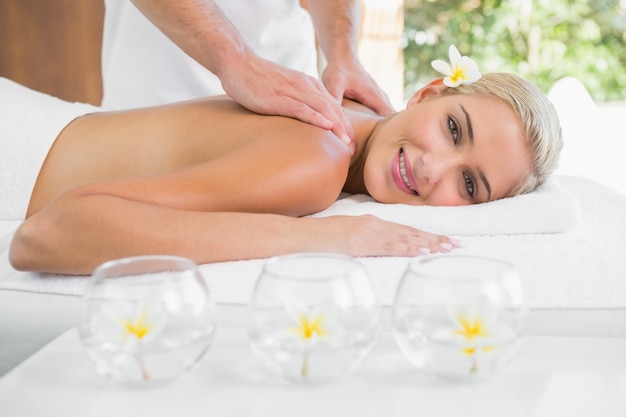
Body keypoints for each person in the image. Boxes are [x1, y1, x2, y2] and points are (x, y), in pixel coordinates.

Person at [8, 72, 562, 275]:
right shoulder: (318, 156)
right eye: (453, 128)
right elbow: (46, 236)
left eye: (469, 185)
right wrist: (313, 237)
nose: (431, 166)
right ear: (427, 93)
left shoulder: (353, 123)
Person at [102, 0, 395, 151]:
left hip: (293, 89)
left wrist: (343, 53)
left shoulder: (319, 153)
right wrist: (235, 60)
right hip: (155, 95)